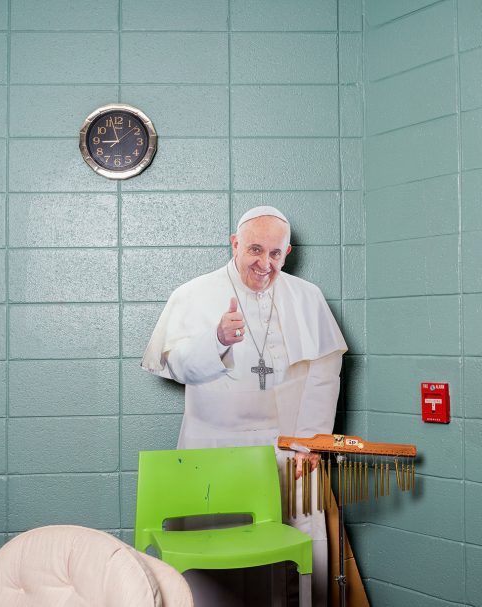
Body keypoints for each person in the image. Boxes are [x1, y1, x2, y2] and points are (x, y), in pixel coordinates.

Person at [141, 206, 347, 606]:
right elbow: (175, 365)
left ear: (286, 252)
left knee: (292, 563)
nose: (265, 263)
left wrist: (310, 441)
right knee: (213, 561)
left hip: (288, 449)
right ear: (234, 244)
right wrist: (216, 339)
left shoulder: (308, 297)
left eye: (275, 253)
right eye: (255, 249)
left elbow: (325, 372)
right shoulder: (194, 294)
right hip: (214, 446)